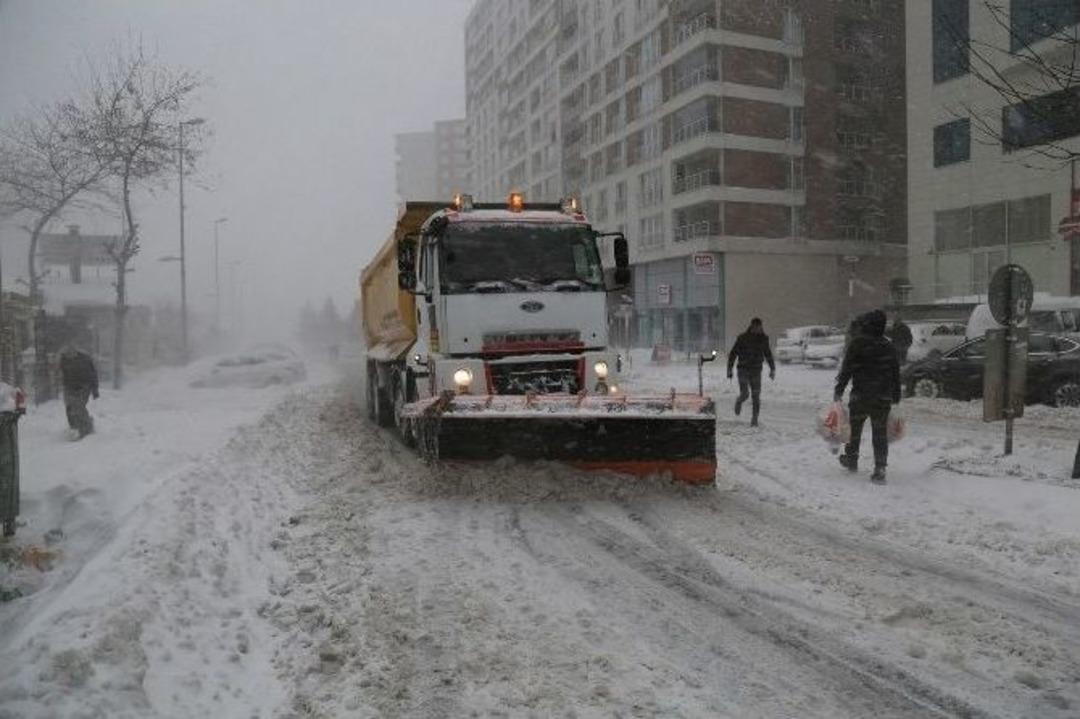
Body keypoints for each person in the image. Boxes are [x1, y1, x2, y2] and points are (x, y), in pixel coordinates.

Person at [834, 309, 901, 484]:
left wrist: (839, 389)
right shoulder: (888, 345)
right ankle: (880, 468)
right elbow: (895, 372)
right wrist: (896, 394)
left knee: (855, 429)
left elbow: (847, 369)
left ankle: (851, 458)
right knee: (880, 433)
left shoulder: (858, 344)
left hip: (861, 395)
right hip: (882, 397)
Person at [726, 317, 776, 427]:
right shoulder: (742, 338)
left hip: (756, 370)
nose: (758, 329)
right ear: (752, 327)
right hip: (743, 369)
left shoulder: (764, 339)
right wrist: (729, 369)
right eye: (756, 327)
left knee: (756, 396)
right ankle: (739, 400)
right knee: (745, 393)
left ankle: (754, 419)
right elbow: (733, 354)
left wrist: (772, 369)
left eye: (760, 327)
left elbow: (768, 354)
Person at [59, 345, 99, 439]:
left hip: (84, 385)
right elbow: (64, 374)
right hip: (70, 386)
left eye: (70, 355)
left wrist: (95, 390)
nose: (69, 357)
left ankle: (87, 426)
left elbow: (93, 375)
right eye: (67, 355)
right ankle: (74, 427)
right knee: (69, 407)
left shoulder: (85, 360)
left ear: (75, 353)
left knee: (79, 406)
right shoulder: (64, 359)